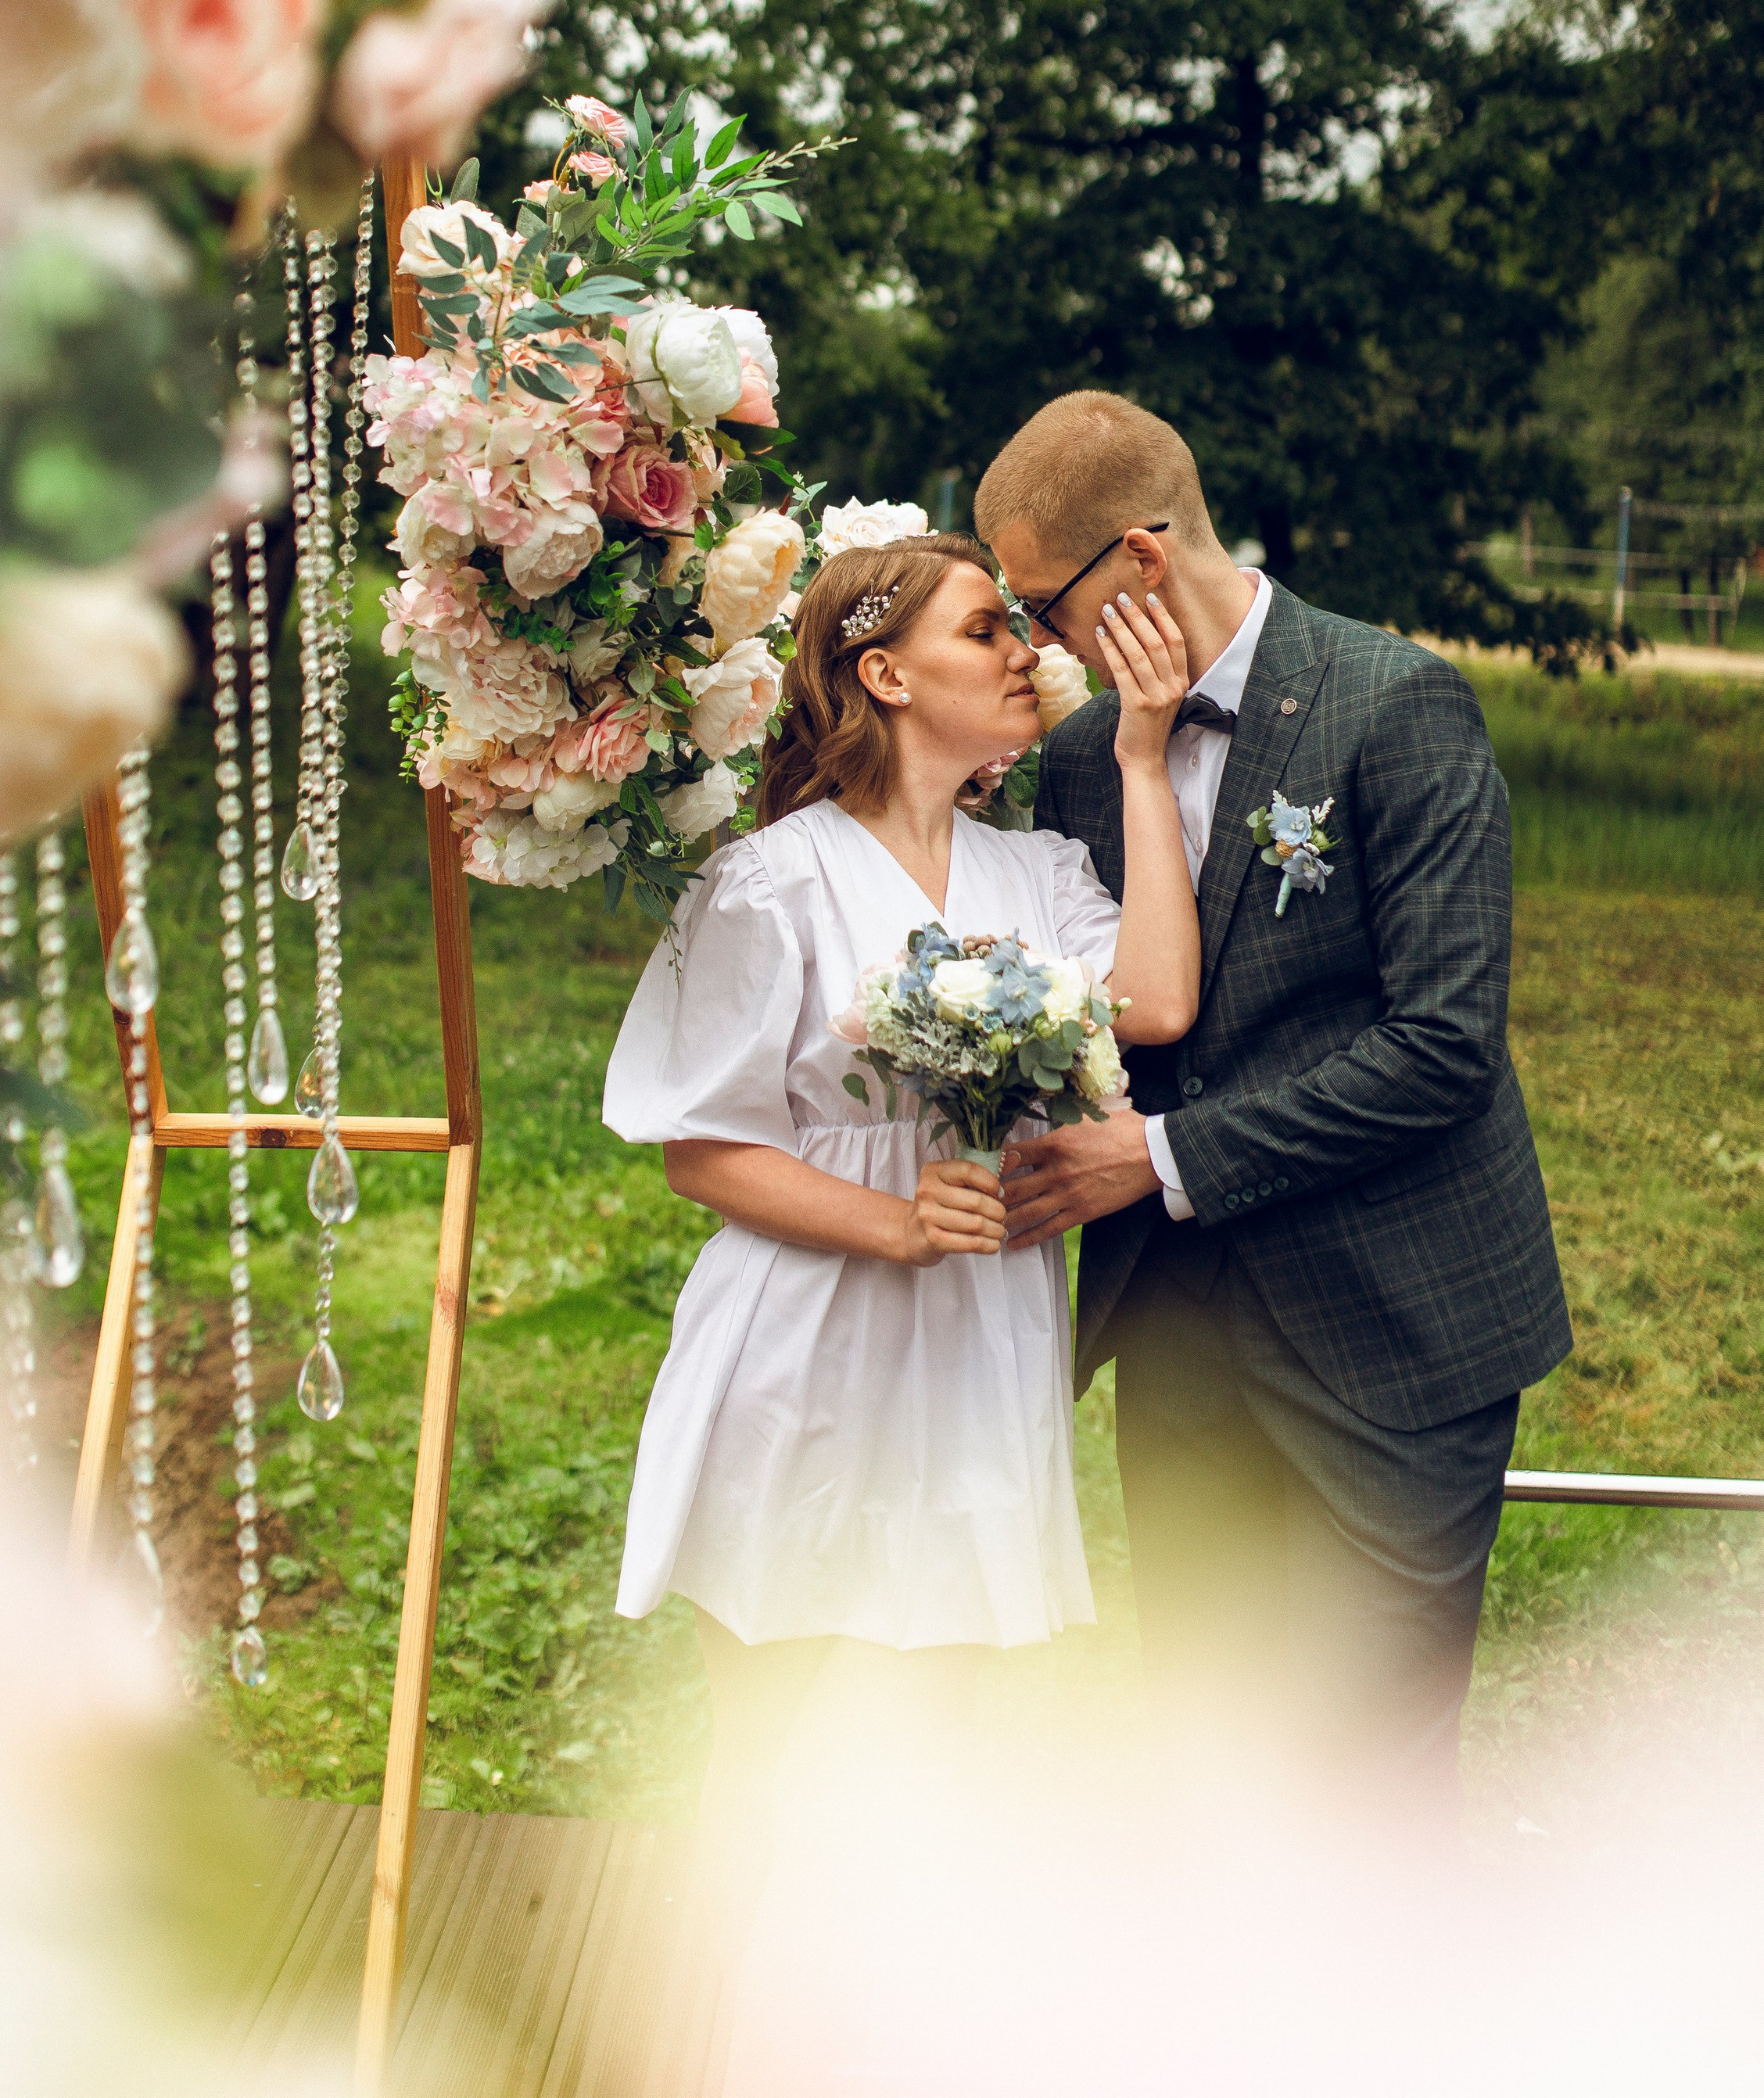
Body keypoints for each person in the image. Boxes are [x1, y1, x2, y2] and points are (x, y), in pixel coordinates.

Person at [974, 390, 1572, 1830]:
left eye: (1036, 604)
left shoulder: (1393, 703)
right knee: (1210, 1742)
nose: (1031, 641)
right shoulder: (1074, 763)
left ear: (1136, 557)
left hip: (1394, 1320)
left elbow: (1440, 1049)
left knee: (1372, 1774)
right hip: (1176, 1332)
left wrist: (1163, 1157)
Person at [601, 531, 1200, 1938]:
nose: (1029, 655)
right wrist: (894, 1219)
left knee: (937, 1736)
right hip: (805, 1338)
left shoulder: (1037, 871)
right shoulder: (771, 883)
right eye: (988, 630)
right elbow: (704, 1146)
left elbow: (1159, 1003)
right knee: (768, 1736)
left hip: (977, 1335)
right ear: (885, 673)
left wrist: (1140, 760)